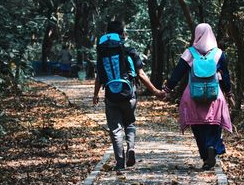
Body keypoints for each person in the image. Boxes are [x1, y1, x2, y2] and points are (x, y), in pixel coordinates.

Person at [93, 21, 165, 171]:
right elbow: (141, 74)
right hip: (128, 95)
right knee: (130, 123)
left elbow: (99, 77)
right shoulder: (129, 51)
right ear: (122, 34)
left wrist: (95, 95)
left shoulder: (102, 54)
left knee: (115, 129)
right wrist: (156, 91)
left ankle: (120, 163)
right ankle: (130, 148)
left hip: (111, 95)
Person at [162, 23, 235, 170]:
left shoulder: (189, 53)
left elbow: (177, 74)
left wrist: (167, 89)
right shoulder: (219, 54)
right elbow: (225, 77)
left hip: (193, 95)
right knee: (214, 125)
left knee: (197, 126)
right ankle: (212, 148)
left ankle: (205, 155)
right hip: (214, 96)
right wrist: (229, 93)